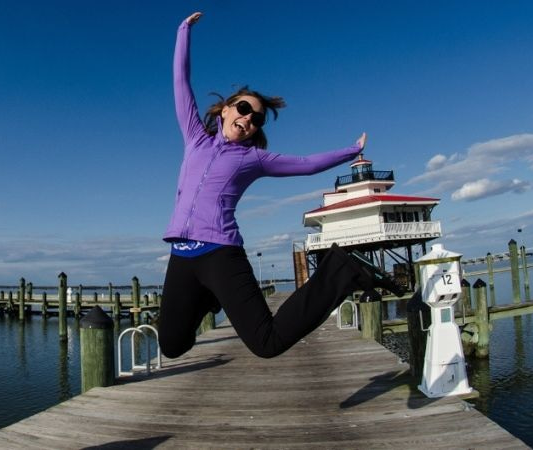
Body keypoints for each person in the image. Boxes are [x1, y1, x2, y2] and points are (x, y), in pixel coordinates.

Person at [159, 12, 400, 360]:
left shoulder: (253, 159)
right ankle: (210, 297)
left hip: (220, 253)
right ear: (226, 109)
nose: (248, 119)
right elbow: (180, 83)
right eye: (243, 109)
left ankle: (340, 272)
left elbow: (306, 165)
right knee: (172, 346)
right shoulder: (195, 138)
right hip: (181, 256)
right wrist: (183, 31)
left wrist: (352, 150)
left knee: (266, 343)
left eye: (256, 119)